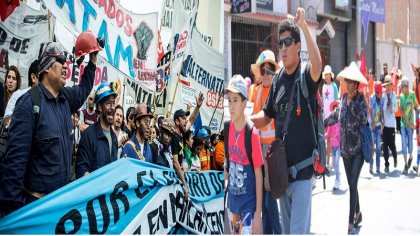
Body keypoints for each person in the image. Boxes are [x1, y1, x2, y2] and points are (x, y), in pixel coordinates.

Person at [0, 41, 98, 215]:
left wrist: (92, 61)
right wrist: (16, 218)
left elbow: (84, 88)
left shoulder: (66, 98)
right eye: (60, 61)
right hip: (36, 209)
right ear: (46, 68)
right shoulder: (28, 104)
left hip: (61, 207)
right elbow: (13, 168)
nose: (66, 66)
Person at [250, 8, 322, 234]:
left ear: (298, 46)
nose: (282, 48)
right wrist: (244, 120)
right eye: (280, 44)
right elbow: (266, 116)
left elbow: (318, 64)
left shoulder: (305, 75)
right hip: (281, 175)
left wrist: (303, 27)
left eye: (288, 42)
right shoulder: (278, 80)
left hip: (303, 174)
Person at [248, 49, 281, 234]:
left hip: (272, 150)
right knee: (263, 198)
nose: (266, 74)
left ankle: (278, 231)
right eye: (263, 70)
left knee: (269, 198)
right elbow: (251, 116)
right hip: (258, 148)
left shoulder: (278, 90)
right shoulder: (255, 90)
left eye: (269, 70)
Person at [226, 75, 263, 234]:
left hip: (248, 207)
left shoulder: (251, 134)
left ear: (244, 103)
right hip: (232, 206)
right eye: (229, 100)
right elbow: (227, 167)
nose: (231, 106)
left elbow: (259, 175)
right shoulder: (226, 128)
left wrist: (258, 215)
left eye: (235, 100)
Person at [336, 62, 369, 234]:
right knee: (351, 184)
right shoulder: (342, 98)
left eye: (350, 82)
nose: (347, 84)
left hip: (358, 150)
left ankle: (351, 221)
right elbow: (337, 116)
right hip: (344, 150)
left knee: (354, 182)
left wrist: (351, 105)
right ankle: (358, 212)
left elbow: (364, 118)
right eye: (346, 81)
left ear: (356, 84)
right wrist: (323, 121)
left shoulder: (360, 99)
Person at [75, 82, 119, 178]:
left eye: (113, 103)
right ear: (99, 107)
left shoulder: (114, 137)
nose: (112, 107)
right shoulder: (88, 136)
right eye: (108, 103)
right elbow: (81, 169)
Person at [150, 118, 189, 198]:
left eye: (170, 135)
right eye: (165, 133)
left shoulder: (171, 150)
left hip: (168, 192)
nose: (167, 138)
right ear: (160, 131)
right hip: (156, 192)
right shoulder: (153, 147)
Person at [3, 60, 39, 127]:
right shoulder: (18, 95)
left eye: (14, 78)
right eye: (8, 77)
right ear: (34, 77)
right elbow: (6, 122)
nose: (10, 81)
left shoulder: (49, 100)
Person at [399, 78, 419, 174]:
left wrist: (418, 109)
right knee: (404, 144)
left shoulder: (412, 94)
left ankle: (411, 156)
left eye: (402, 87)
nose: (401, 88)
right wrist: (407, 122)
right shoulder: (401, 96)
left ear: (406, 87)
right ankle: (406, 165)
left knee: (410, 145)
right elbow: (401, 110)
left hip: (411, 125)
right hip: (404, 124)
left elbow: (415, 105)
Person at [322, 65, 339, 169]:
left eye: (328, 74)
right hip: (325, 117)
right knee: (326, 139)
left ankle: (330, 162)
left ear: (331, 76)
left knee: (333, 140)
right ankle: (326, 161)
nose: (327, 76)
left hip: (333, 118)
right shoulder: (323, 87)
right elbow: (323, 102)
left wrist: (335, 116)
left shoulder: (334, 86)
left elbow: (337, 102)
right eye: (325, 75)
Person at [382, 75, 398, 173]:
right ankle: (386, 164)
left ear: (392, 86)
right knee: (385, 145)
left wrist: (392, 107)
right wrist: (386, 101)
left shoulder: (394, 95)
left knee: (392, 145)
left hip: (391, 124)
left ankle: (395, 157)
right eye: (386, 85)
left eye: (389, 85)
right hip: (384, 125)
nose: (387, 87)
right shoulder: (383, 95)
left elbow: (396, 109)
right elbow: (383, 109)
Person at [324, 100, 341, 191]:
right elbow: (327, 134)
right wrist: (321, 138)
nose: (336, 111)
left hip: (339, 147)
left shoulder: (340, 122)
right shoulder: (330, 123)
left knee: (336, 163)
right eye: (334, 109)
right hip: (333, 147)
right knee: (334, 165)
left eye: (337, 109)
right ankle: (338, 177)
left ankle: (337, 180)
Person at [369, 82, 384, 174]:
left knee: (378, 147)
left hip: (379, 125)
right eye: (380, 93)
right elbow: (370, 110)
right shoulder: (372, 98)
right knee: (372, 146)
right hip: (372, 126)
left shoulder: (381, 99)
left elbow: (382, 110)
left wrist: (383, 121)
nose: (381, 94)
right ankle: (371, 165)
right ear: (376, 91)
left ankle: (378, 166)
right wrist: (373, 123)